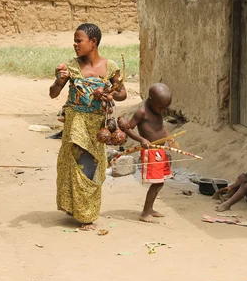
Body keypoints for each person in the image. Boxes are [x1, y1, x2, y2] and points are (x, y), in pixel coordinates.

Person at [50, 23, 127, 231]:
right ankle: (85, 216)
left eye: (79, 41)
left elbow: (123, 94)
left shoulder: (109, 67)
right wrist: (59, 81)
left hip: (98, 126)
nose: (75, 45)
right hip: (75, 122)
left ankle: (80, 207)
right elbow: (53, 93)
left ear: (93, 42)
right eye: (74, 41)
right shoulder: (71, 67)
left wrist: (110, 92)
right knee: (80, 163)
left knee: (93, 165)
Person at [124, 83, 175, 223]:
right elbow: (128, 128)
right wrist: (141, 139)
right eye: (161, 107)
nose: (163, 110)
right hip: (151, 152)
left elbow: (161, 127)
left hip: (160, 151)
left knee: (161, 182)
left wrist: (169, 137)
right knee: (157, 182)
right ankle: (145, 213)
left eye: (165, 108)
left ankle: (150, 209)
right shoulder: (142, 112)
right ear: (151, 100)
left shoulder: (157, 109)